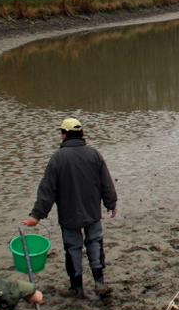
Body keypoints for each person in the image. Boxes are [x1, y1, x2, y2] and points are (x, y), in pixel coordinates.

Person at [23, 117, 117, 296]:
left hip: (69, 213)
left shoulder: (58, 158)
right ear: (81, 134)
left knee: (73, 247)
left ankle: (76, 287)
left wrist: (36, 215)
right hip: (92, 210)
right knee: (95, 242)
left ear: (64, 135)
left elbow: (47, 190)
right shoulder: (94, 154)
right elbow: (106, 181)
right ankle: (99, 282)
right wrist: (111, 203)